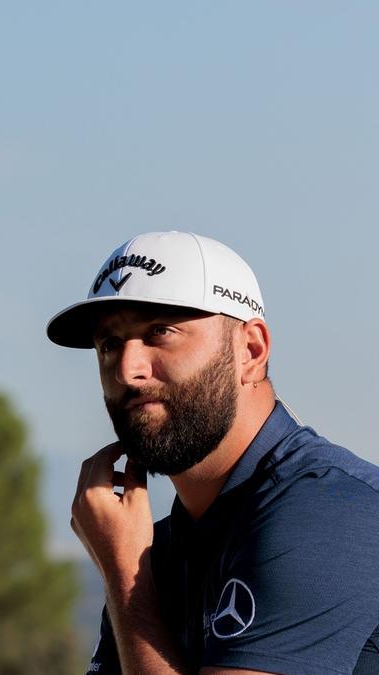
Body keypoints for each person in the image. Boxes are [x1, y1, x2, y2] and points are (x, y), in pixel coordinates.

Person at [46, 232, 379, 674]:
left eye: (159, 332)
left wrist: (125, 578)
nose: (128, 370)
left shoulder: (331, 514)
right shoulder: (153, 551)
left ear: (251, 350)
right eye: (109, 344)